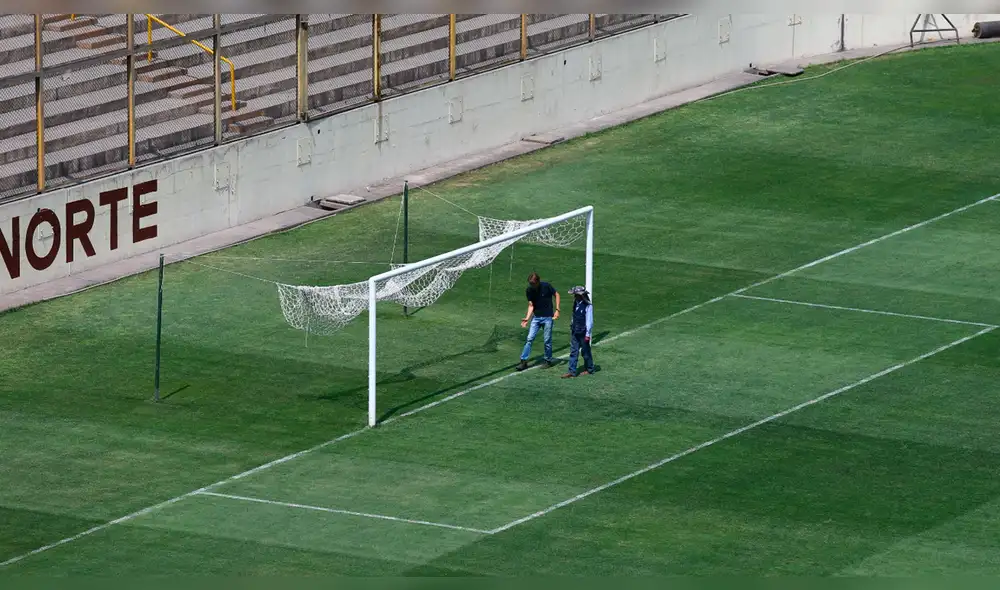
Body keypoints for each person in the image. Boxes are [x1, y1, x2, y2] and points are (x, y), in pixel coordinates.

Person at [517, 272, 560, 371]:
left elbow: (556, 294)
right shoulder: (529, 290)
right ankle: (523, 361)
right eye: (530, 284)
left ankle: (548, 360)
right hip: (536, 318)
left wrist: (557, 310)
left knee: (547, 340)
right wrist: (527, 318)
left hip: (548, 318)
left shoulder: (546, 286)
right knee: (529, 339)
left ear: (538, 282)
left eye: (533, 284)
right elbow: (531, 305)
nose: (531, 286)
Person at [563, 285, 596, 378]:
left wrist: (587, 334)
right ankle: (571, 371)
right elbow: (574, 316)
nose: (574, 296)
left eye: (575, 295)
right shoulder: (575, 303)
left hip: (583, 332)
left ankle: (590, 369)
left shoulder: (588, 306)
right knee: (574, 351)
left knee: (585, 352)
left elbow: (589, 321)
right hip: (575, 331)